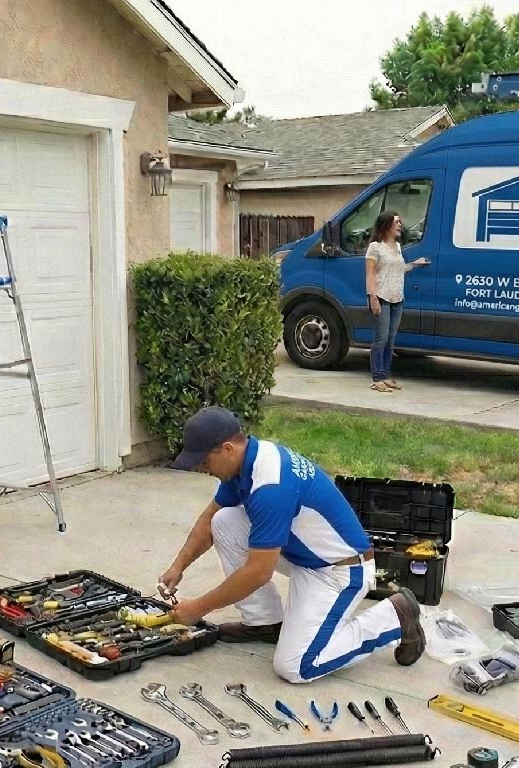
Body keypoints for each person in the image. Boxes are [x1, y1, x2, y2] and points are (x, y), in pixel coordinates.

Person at [159, 406, 425, 684]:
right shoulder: (246, 462)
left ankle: (394, 615)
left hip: (339, 572)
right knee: (224, 520)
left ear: (227, 449)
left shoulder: (271, 486)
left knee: (296, 666)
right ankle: (265, 623)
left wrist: (199, 608)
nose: (202, 469)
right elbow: (211, 515)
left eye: (204, 461)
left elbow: (258, 573)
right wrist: (178, 567)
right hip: (303, 553)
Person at [365, 211, 428, 392]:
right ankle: (377, 378)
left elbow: (398, 270)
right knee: (381, 338)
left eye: (400, 222)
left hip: (397, 298)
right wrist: (372, 297)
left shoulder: (398, 247)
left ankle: (385, 375)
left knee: (391, 340)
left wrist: (415, 264)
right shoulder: (375, 247)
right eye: (396, 222)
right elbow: (370, 274)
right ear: (386, 225)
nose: (400, 225)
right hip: (382, 297)